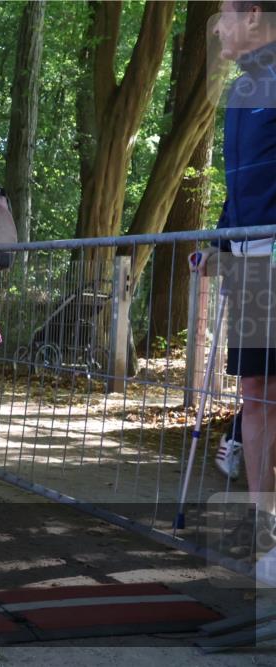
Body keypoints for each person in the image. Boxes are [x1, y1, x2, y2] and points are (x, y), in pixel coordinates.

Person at [193, 0, 276, 569]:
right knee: (255, 391)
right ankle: (263, 532)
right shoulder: (241, 92)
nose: (216, 27)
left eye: (222, 14)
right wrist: (219, 241)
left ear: (252, 15)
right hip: (249, 264)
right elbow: (240, 187)